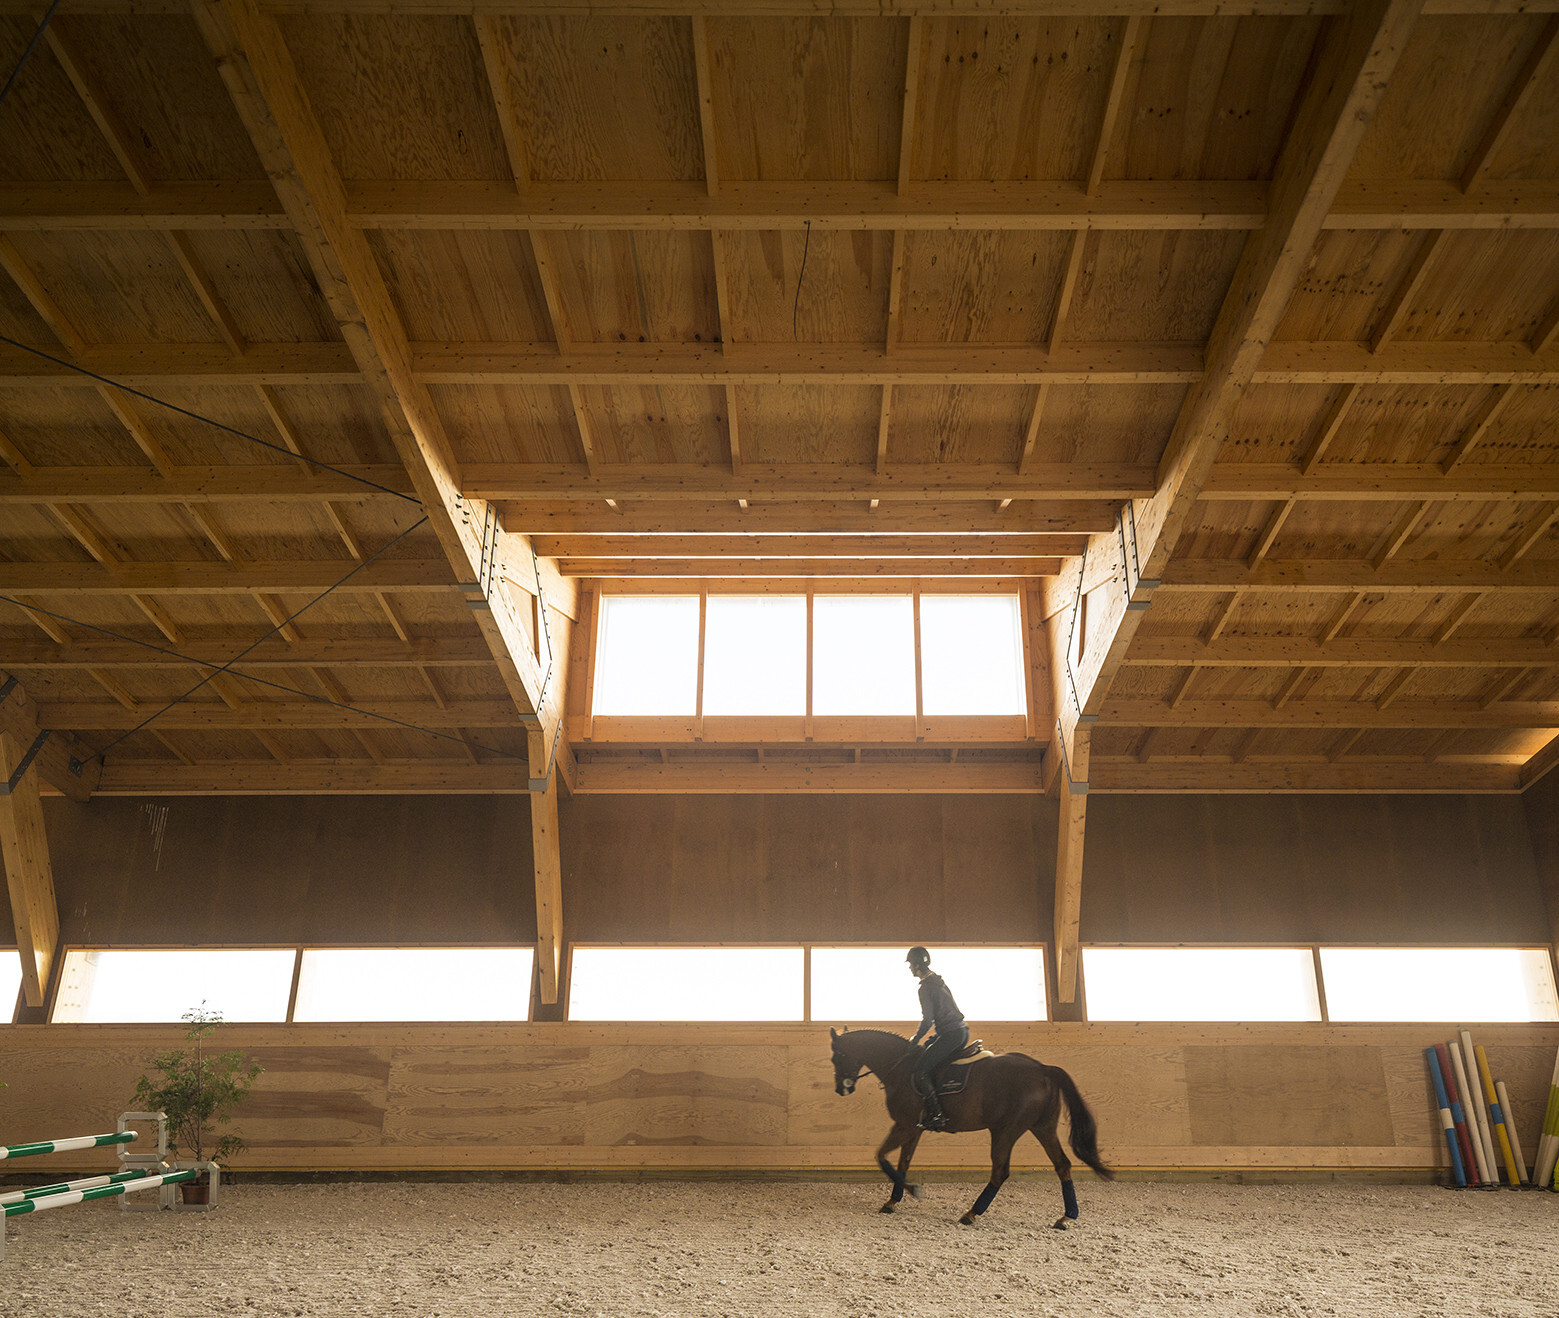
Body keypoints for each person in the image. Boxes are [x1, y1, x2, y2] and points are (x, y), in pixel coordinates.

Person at [905, 946, 969, 1131]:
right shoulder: (938, 981)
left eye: (910, 964)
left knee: (920, 1071)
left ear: (917, 965)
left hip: (951, 1034)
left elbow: (928, 1019)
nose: (909, 968)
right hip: (961, 1032)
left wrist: (915, 1039)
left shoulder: (925, 988)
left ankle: (937, 1115)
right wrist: (935, 1037)